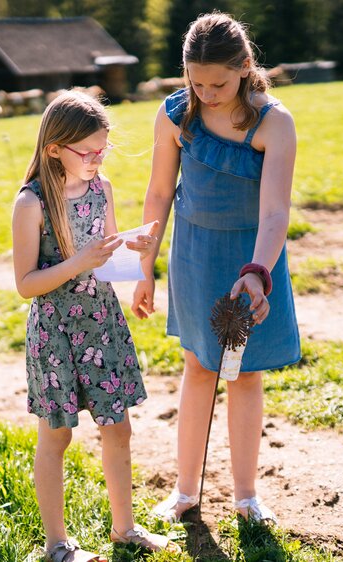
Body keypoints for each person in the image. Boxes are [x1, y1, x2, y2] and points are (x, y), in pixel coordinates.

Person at [131, 12, 301, 523]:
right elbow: (160, 193)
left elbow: (274, 213)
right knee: (200, 366)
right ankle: (186, 492)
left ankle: (246, 496)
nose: (206, 92)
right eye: (195, 81)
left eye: (219, 83)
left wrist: (257, 272)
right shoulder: (175, 114)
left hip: (252, 259)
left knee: (244, 374)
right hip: (194, 253)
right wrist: (146, 265)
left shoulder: (275, 122)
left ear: (246, 67)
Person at [12, 91, 174, 561]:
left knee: (118, 427)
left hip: (102, 323)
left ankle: (124, 529)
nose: (96, 159)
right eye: (88, 152)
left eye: (102, 149)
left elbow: (106, 253)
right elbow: (26, 283)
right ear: (54, 149)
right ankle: (57, 545)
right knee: (56, 436)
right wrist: (78, 260)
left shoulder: (100, 188)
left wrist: (135, 249)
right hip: (56, 332)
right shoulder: (32, 203)